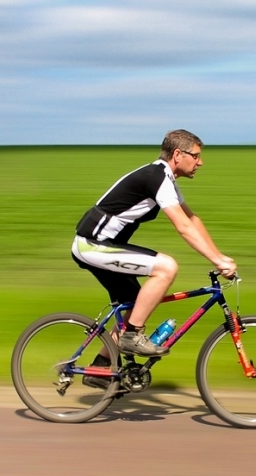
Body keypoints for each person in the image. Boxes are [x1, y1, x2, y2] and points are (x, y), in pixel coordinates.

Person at [72, 129, 238, 360]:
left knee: (135, 306)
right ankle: (132, 336)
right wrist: (217, 261)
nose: (201, 162)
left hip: (102, 246)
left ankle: (102, 367)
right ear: (178, 154)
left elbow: (192, 220)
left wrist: (220, 256)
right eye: (196, 156)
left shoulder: (165, 179)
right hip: (92, 245)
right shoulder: (157, 178)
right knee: (166, 267)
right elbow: (183, 226)